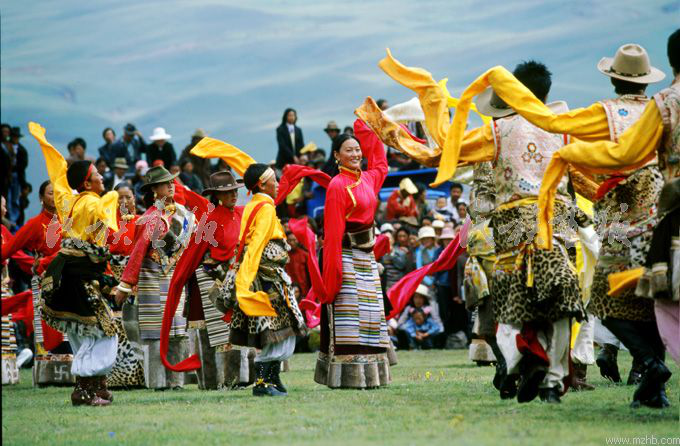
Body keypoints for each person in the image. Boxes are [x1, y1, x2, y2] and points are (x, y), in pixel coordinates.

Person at [359, 51, 589, 404]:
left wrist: (388, 127)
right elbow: (587, 180)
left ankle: (520, 366)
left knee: (513, 306)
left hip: (512, 230)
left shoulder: (497, 131)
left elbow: (444, 153)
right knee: (561, 301)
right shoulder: (565, 133)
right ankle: (553, 378)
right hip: (558, 225)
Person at [532, 30, 680, 408]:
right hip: (661, 217)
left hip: (620, 221)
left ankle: (648, 363)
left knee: (602, 302)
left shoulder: (610, 113)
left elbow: (572, 139)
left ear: (614, 78)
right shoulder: (656, 107)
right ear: (646, 79)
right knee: (650, 301)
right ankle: (655, 389)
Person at [31, 122, 120, 406]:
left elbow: (58, 177)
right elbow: (110, 227)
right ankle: (84, 389)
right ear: (86, 183)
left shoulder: (68, 201)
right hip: (81, 278)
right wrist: (115, 201)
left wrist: (46, 146)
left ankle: (96, 387)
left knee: (82, 334)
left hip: (70, 275)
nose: (102, 177)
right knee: (103, 334)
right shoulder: (93, 203)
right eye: (97, 175)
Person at [163, 168, 256, 390]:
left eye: (235, 191)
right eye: (228, 192)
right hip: (214, 281)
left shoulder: (242, 213)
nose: (234, 195)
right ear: (217, 195)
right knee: (223, 331)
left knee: (241, 328)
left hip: (239, 277)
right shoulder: (209, 220)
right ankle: (226, 380)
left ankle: (243, 378)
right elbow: (194, 254)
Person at [315, 119, 391, 389]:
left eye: (358, 149)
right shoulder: (337, 186)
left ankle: (372, 375)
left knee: (371, 316)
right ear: (336, 155)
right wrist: (332, 274)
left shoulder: (368, 178)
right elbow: (333, 235)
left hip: (367, 258)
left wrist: (368, 126)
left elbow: (381, 163)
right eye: (349, 150)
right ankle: (347, 376)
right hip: (345, 257)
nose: (356, 154)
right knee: (350, 316)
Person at [114, 166, 195, 390]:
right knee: (155, 335)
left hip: (176, 280)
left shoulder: (185, 215)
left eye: (171, 182)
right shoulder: (149, 218)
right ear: (153, 190)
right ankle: (157, 382)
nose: (170, 185)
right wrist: (125, 285)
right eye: (164, 183)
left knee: (178, 333)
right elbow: (138, 252)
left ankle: (176, 381)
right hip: (151, 279)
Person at [1, 180, 71, 385]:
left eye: (57, 193)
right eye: (50, 193)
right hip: (47, 282)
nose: (55, 197)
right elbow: (9, 249)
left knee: (71, 328)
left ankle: (76, 373)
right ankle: (50, 376)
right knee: (51, 328)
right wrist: (38, 264)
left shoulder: (70, 221)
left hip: (72, 281)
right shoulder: (35, 223)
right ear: (41, 198)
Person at [1, 197, 20, 385]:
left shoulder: (4, 231)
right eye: (3, 206)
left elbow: (18, 253)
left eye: (6, 205)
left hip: (3, 288)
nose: (6, 210)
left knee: (5, 329)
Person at [285, 232, 311, 298]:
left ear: (298, 240)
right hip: (288, 288)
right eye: (290, 240)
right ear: (286, 241)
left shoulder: (305, 255)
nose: (292, 242)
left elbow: (310, 274)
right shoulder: (283, 255)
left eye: (294, 240)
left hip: (304, 289)